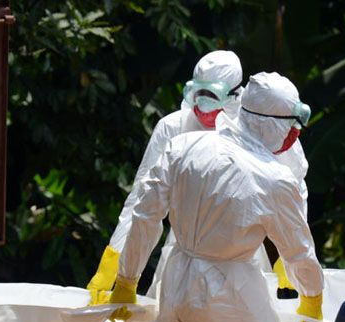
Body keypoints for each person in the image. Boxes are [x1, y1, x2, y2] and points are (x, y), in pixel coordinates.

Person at [107, 72, 325, 322]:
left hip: (175, 287)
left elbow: (145, 217)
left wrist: (126, 279)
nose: (294, 135)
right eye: (291, 126)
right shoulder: (272, 178)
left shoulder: (183, 147)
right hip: (227, 299)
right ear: (270, 125)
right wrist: (312, 297)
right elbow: (299, 252)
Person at [85, 50, 243, 305]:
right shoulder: (173, 128)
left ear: (235, 95)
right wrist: (116, 261)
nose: (204, 107)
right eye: (199, 95)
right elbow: (142, 200)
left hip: (240, 260)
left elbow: (285, 191)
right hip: (184, 253)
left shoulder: (250, 131)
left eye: (212, 97)